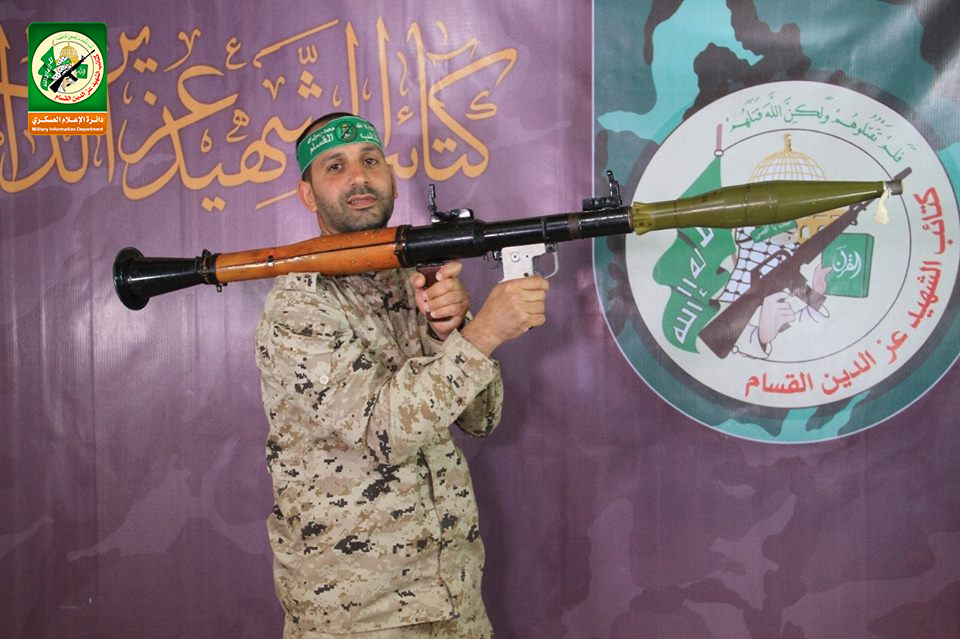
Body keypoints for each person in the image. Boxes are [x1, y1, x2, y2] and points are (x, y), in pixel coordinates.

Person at [254, 112, 549, 638]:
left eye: (370, 161)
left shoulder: (415, 277)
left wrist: (448, 331)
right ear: (307, 194)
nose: (359, 177)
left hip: (454, 596)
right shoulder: (298, 307)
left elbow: (481, 419)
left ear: (390, 178)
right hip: (359, 614)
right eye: (335, 167)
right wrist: (482, 334)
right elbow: (383, 433)